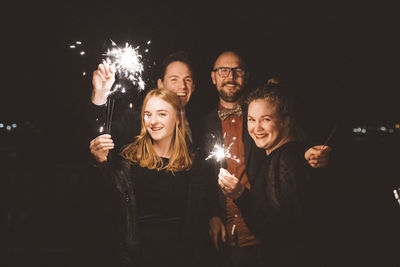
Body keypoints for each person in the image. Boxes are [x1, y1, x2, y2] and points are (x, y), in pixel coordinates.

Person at [197, 51, 330, 266]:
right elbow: (201, 180)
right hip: (227, 238)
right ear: (213, 77)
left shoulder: (261, 107)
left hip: (264, 240)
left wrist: (307, 152)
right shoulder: (202, 124)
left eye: (237, 70)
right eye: (223, 71)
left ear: (246, 77)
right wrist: (211, 215)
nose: (230, 76)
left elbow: (289, 140)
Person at [93, 88, 213, 267]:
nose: (153, 121)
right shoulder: (129, 160)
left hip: (181, 259)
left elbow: (200, 218)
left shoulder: (195, 165)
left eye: (162, 114)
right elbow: (107, 204)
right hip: (136, 259)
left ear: (177, 118)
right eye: (148, 114)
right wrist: (100, 162)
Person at [218, 83, 315, 266]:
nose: (256, 128)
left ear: (286, 121)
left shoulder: (286, 159)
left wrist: (240, 195)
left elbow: (282, 230)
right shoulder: (279, 156)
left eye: (266, 119)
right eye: (251, 119)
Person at [88, 51, 196, 162]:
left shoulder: (200, 125)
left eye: (188, 80)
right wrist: (100, 93)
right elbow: (101, 140)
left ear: (193, 86)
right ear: (160, 84)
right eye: (174, 79)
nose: (182, 86)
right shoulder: (136, 120)